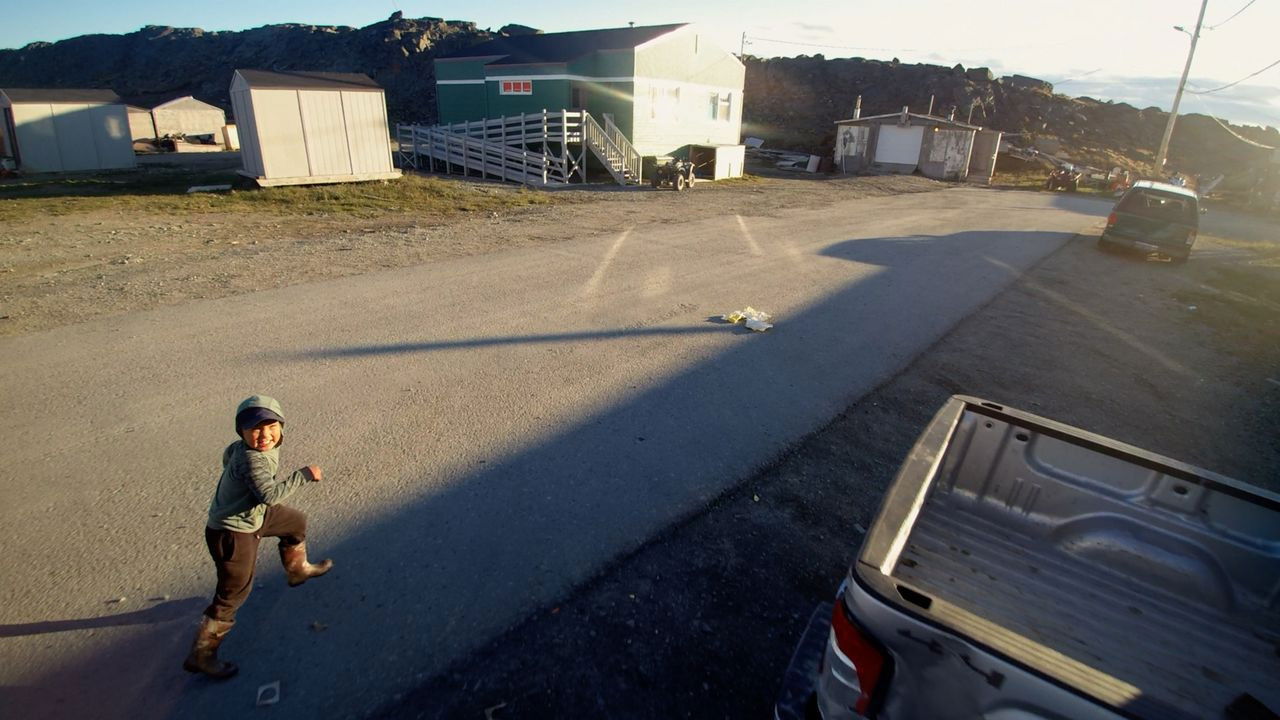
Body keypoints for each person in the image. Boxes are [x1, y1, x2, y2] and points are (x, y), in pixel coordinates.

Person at [183, 395, 334, 679]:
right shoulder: (253, 460)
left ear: (281, 427)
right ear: (241, 432)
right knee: (233, 593)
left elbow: (227, 457)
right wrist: (304, 474)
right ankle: (201, 655)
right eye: (254, 428)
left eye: (270, 426)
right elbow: (269, 494)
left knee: (295, 522)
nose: (264, 435)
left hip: (254, 515)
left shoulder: (242, 449)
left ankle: (297, 570)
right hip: (233, 532)